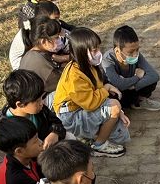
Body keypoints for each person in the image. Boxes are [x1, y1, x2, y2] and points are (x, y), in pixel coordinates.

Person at [53, 27, 130, 158]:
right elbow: (91, 103)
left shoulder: (88, 67)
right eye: (94, 50)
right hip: (70, 116)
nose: (98, 52)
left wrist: (119, 111)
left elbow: (96, 93)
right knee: (114, 107)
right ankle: (99, 145)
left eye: (98, 48)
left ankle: (88, 136)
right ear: (81, 51)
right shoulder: (74, 76)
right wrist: (107, 91)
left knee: (115, 110)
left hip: (79, 108)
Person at [0, 69, 65, 173]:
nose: (42, 102)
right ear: (20, 104)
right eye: (37, 100)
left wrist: (55, 133)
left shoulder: (39, 110)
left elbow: (57, 123)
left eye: (42, 98)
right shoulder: (4, 130)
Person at [102, 24, 160, 111]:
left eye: (137, 50)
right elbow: (119, 85)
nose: (135, 54)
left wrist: (133, 86)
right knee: (115, 97)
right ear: (117, 51)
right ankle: (123, 108)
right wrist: (137, 77)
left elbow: (154, 76)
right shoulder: (107, 60)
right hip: (118, 93)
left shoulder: (137, 55)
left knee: (151, 82)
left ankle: (139, 102)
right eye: (131, 52)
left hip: (130, 88)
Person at [18, 17, 68, 103]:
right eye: (56, 37)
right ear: (44, 41)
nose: (60, 40)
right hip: (39, 103)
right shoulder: (38, 61)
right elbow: (63, 81)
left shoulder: (34, 52)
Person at [9, 0, 67, 71]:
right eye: (55, 19)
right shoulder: (34, 33)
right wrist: (60, 58)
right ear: (43, 19)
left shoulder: (45, 27)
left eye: (58, 19)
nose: (58, 22)